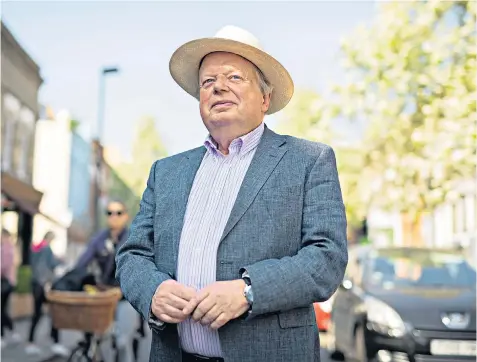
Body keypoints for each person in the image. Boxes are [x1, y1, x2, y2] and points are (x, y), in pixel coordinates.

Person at [116, 25, 348, 362]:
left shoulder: (308, 161)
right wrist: (153, 290)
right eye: (208, 82)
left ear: (265, 99)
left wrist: (248, 291)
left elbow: (327, 258)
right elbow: (132, 254)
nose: (219, 87)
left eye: (234, 77)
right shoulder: (165, 172)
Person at [76, 200, 144, 362]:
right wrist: (70, 279)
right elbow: (83, 260)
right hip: (105, 294)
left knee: (122, 342)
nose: (114, 216)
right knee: (93, 337)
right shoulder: (100, 238)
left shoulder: (132, 237)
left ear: (126, 216)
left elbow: (138, 267)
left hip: (125, 296)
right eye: (109, 213)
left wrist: (125, 288)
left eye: (118, 213)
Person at [27, 231, 69, 357]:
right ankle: (55, 342)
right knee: (55, 312)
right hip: (43, 285)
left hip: (35, 284)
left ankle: (32, 341)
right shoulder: (47, 249)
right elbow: (50, 264)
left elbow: (34, 265)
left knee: (37, 313)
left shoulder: (36, 248)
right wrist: (61, 262)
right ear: (49, 238)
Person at [1, 229, 20, 348]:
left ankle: (2, 336)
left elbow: (3, 266)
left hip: (5, 282)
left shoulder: (6, 248)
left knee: (1, 309)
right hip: (9, 282)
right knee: (2, 309)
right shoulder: (11, 247)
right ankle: (12, 330)